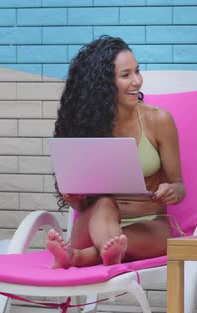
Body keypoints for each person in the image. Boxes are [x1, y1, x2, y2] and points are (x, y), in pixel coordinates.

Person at [46, 36, 186, 269]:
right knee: (103, 202)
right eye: (126, 75)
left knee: (122, 240)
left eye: (137, 72)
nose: (137, 81)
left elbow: (179, 186)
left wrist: (172, 191)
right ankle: (108, 252)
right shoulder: (86, 126)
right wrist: (75, 201)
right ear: (103, 83)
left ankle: (78, 257)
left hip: (149, 224)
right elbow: (84, 205)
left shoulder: (158, 119)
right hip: (96, 221)